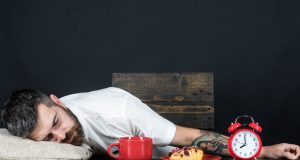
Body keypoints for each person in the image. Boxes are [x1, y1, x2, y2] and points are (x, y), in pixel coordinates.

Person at [1, 87, 299, 159]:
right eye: (48, 137)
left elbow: (187, 138)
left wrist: (267, 151)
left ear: (59, 101)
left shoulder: (116, 108)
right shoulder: (45, 136)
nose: (61, 135)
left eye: (57, 121)